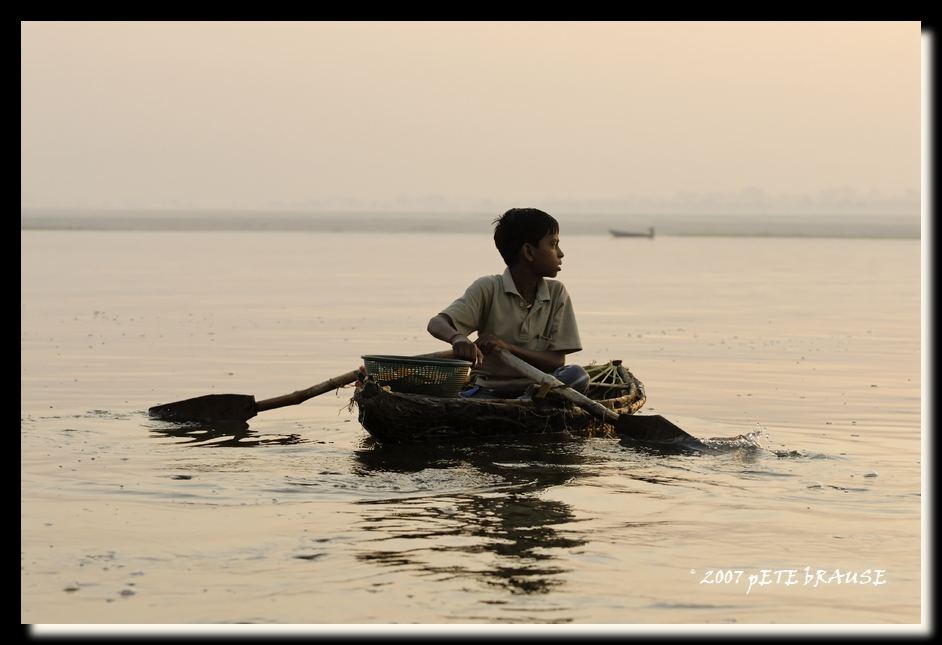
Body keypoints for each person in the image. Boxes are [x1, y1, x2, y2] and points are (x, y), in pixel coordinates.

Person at [427, 207, 589, 398]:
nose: (560, 253)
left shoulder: (556, 293)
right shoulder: (488, 288)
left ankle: (529, 400)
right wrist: (458, 338)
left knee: (577, 375)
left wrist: (507, 347)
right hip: (487, 389)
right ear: (529, 251)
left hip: (538, 388)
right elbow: (436, 323)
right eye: (553, 245)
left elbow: (556, 362)